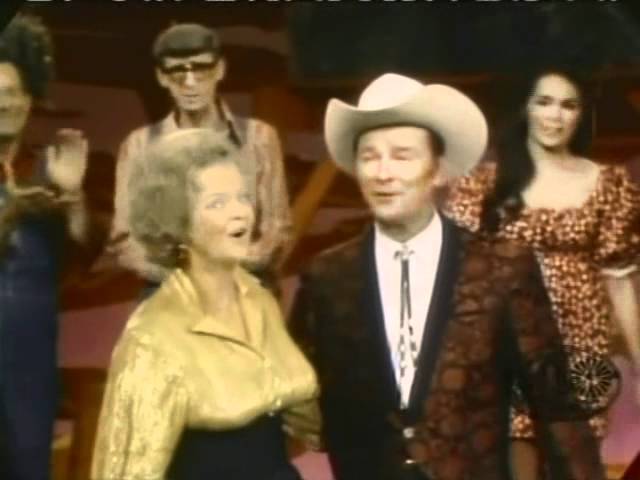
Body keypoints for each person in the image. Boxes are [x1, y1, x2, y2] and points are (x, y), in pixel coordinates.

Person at [289, 73, 606, 480]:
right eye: (369, 157)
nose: (383, 173)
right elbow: (296, 395)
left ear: (438, 170)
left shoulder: (502, 268)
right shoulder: (327, 276)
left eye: (402, 155)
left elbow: (558, 407)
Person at [444, 66, 640, 479]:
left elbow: (619, 281)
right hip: (505, 345)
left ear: (581, 114)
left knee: (578, 465)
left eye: (568, 105)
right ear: (525, 109)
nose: (555, 115)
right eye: (544, 102)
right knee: (516, 462)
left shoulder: (609, 184)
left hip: (582, 347)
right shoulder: (483, 185)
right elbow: (457, 278)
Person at [91, 129, 319, 480]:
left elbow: (296, 414)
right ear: (177, 222)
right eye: (217, 203)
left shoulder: (260, 300)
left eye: (242, 197)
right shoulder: (153, 338)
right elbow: (128, 471)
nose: (239, 213)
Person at [102, 22, 292, 291]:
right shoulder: (139, 146)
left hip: (245, 284)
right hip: (169, 288)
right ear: (162, 77)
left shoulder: (259, 137)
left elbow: (277, 228)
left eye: (201, 70)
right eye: (178, 72)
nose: (190, 83)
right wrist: (183, 277)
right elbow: (124, 238)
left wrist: (225, 269)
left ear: (220, 69)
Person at [0, 14, 95, 480]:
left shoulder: (47, 170)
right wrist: (12, 215)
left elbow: (83, 252)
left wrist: (72, 196)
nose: (4, 103)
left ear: (30, 98)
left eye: (13, 93)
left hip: (30, 364)